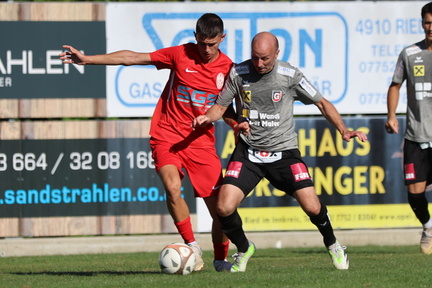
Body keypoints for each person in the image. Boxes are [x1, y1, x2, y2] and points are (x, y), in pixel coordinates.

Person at [60, 13, 248, 272]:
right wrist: (87, 59)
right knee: (172, 188)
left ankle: (220, 259)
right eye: (202, 43)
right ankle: (192, 246)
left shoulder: (229, 69)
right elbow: (132, 58)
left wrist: (237, 125)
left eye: (212, 44)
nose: (206, 49)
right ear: (195, 37)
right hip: (167, 135)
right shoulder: (180, 54)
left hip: (201, 143)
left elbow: (226, 111)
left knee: (220, 211)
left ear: (222, 39)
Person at [192, 31, 368, 272]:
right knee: (223, 207)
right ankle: (244, 248)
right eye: (255, 57)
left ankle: (333, 244)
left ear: (277, 54)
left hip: (283, 152)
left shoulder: (290, 75)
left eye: (265, 58)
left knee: (312, 207)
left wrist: (344, 130)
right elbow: (220, 107)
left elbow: (322, 103)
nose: (259, 63)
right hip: (248, 152)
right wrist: (206, 118)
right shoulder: (238, 73)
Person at [386, 2, 432, 255]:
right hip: (416, 135)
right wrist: (392, 115)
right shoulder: (410, 53)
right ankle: (428, 226)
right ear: (422, 23)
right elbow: (395, 85)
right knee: (415, 194)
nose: (431, 27)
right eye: (427, 22)